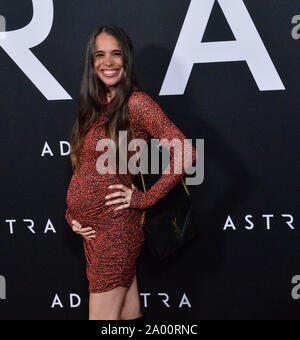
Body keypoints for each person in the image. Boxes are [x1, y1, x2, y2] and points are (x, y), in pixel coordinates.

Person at [65, 24, 198, 320]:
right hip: (94, 233)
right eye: (100, 55)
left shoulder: (137, 104)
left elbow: (186, 152)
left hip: (117, 230)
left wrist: (146, 198)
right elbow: (85, 170)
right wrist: (73, 216)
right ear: (91, 62)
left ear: (126, 58)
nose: (108, 63)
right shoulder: (93, 106)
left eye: (115, 54)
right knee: (127, 316)